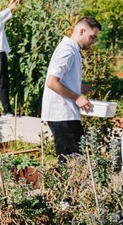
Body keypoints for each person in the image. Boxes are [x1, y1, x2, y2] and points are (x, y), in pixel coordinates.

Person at [41, 16, 102, 161]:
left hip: (66, 113)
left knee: (72, 160)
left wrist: (79, 86)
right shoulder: (67, 51)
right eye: (92, 37)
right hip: (61, 113)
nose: (93, 42)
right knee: (74, 161)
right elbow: (52, 82)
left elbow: (61, 79)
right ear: (81, 31)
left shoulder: (72, 50)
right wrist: (77, 97)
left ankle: (66, 183)